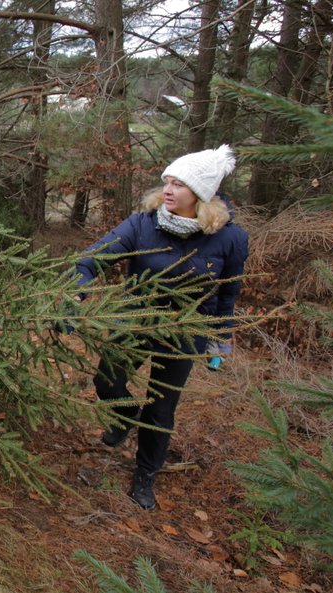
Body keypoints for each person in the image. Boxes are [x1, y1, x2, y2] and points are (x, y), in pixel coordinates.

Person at [74, 145, 248, 510]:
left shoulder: (230, 238)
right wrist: (75, 291)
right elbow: (93, 258)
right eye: (167, 181)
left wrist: (220, 339)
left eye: (180, 184)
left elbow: (229, 291)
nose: (168, 189)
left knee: (162, 406)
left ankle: (145, 475)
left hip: (186, 331)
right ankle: (124, 418)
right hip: (135, 318)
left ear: (200, 194)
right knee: (107, 379)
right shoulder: (142, 223)